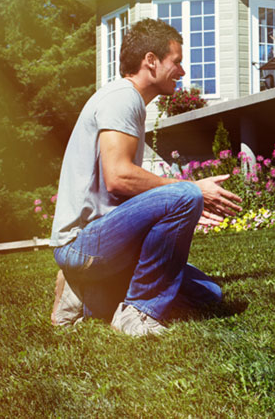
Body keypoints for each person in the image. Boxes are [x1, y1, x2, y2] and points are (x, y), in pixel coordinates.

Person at [49, 18, 243, 336]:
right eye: (176, 62)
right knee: (187, 194)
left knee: (209, 295)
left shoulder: (129, 101)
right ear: (150, 61)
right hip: (80, 244)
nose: (181, 72)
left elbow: (124, 190)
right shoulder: (121, 97)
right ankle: (136, 312)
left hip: (105, 241)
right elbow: (119, 177)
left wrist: (180, 207)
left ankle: (85, 294)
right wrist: (190, 193)